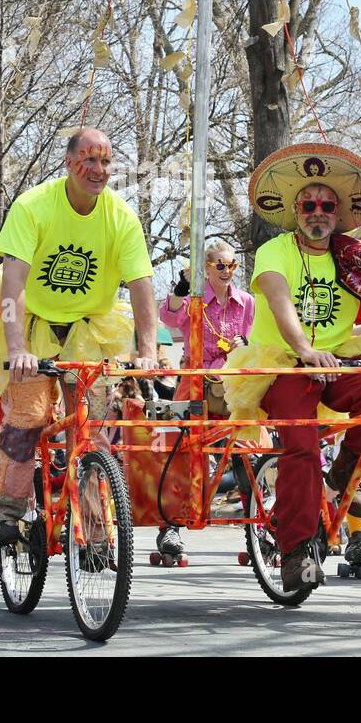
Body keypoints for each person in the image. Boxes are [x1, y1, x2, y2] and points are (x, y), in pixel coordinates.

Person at [220, 143, 361, 591]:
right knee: (301, 444)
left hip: (337, 359)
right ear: (296, 209)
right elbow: (280, 299)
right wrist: (304, 348)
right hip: (283, 364)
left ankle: (342, 477)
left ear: (339, 212)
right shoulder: (275, 251)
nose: (317, 212)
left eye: (327, 205)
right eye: (308, 204)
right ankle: (296, 549)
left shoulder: (355, 256)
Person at [0, 127, 158, 549]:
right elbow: (14, 280)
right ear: (69, 162)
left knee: (91, 428)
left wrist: (148, 349)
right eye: (89, 160)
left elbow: (141, 284)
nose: (98, 170)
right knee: (27, 417)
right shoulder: (34, 205)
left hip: (88, 326)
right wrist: (16, 348)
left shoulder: (121, 216)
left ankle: (96, 530)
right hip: (32, 320)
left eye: (105, 161)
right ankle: (1, 511)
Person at [156, 239, 255, 560]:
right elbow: (168, 317)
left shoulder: (247, 302)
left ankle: (259, 530)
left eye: (232, 265)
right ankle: (170, 527)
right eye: (220, 266)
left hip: (234, 385)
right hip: (195, 383)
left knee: (249, 452)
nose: (228, 272)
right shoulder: (194, 300)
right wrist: (182, 287)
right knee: (181, 453)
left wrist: (246, 342)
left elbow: (258, 338)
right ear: (207, 269)